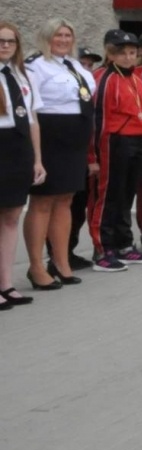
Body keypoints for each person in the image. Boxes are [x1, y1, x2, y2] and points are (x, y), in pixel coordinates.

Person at [24, 18, 96, 283]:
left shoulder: (75, 65)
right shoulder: (35, 66)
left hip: (75, 141)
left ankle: (61, 261)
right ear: (46, 37)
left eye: (68, 35)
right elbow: (32, 107)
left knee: (66, 200)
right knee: (43, 202)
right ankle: (36, 266)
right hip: (50, 137)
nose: (64, 40)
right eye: (58, 35)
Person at [87, 29, 142, 268]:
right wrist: (94, 155)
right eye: (123, 54)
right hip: (114, 141)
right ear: (110, 55)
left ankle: (124, 244)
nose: (129, 58)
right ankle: (103, 249)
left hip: (138, 140)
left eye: (132, 53)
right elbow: (97, 119)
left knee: (127, 195)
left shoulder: (136, 78)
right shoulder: (107, 80)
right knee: (109, 195)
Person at [1, 20, 46, 310]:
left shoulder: (21, 75)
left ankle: (5, 283)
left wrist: (37, 159)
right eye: (0, 40)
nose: (5, 45)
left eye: (11, 41)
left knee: (11, 218)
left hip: (18, 149)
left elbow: (32, 119)